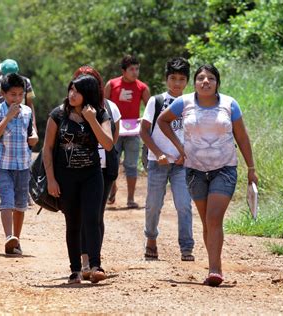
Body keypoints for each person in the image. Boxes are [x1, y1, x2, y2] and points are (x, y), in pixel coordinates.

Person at [158, 64, 258, 286]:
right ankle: (214, 263)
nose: (205, 82)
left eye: (210, 78)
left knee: (214, 218)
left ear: (217, 83)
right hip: (194, 170)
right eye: (201, 78)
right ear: (194, 83)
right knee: (206, 222)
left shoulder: (229, 104)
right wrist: (179, 147)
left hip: (225, 168)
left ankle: (215, 269)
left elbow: (242, 137)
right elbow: (162, 121)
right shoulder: (184, 103)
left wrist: (251, 168)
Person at [42, 75, 113, 284]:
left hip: (92, 175)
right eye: (70, 90)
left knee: (92, 219)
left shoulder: (100, 114)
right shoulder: (58, 114)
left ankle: (95, 265)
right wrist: (51, 179)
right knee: (73, 223)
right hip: (66, 177)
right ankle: (75, 271)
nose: (72, 94)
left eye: (77, 91)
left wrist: (91, 120)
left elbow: (108, 144)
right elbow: (47, 148)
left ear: (88, 93)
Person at [140, 57, 194, 261]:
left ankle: (187, 247)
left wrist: (187, 154)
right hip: (157, 161)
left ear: (187, 81)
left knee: (184, 204)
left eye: (181, 79)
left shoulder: (192, 103)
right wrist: (158, 152)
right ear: (166, 79)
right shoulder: (157, 101)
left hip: (182, 164)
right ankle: (151, 239)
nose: (177, 83)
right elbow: (144, 131)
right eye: (173, 78)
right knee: (154, 204)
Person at [72, 66, 121, 280]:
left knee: (96, 216)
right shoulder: (70, 109)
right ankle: (85, 262)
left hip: (103, 168)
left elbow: (113, 140)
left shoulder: (110, 108)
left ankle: (94, 262)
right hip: (78, 168)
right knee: (81, 216)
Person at [0, 73, 38, 255]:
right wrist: (8, 117)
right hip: (2, 165)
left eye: (20, 94)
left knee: (20, 205)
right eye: (12, 95)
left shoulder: (27, 112)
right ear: (3, 94)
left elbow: (32, 134)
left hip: (23, 165)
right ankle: (8, 236)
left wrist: (34, 138)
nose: (17, 98)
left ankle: (16, 241)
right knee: (7, 201)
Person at [104, 55, 150, 208]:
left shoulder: (142, 87)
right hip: (113, 131)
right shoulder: (112, 84)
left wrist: (144, 120)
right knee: (111, 164)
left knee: (131, 165)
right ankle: (112, 188)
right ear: (123, 71)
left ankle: (130, 199)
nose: (135, 72)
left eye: (137, 69)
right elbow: (103, 106)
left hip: (133, 133)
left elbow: (150, 109)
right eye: (131, 69)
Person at [0, 59, 37, 130]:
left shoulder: (25, 82)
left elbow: (29, 103)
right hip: (3, 124)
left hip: (23, 120)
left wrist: (33, 124)